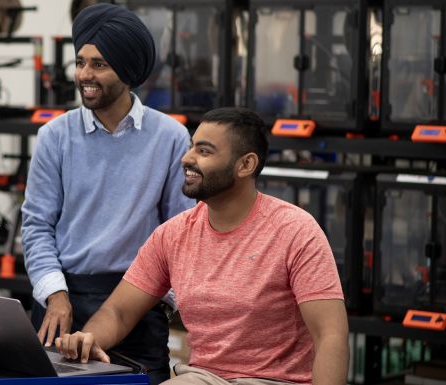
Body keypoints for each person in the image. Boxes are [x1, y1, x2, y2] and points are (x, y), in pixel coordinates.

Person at [55, 107, 349, 385]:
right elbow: (119, 312)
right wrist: (89, 337)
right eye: (192, 146)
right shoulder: (173, 234)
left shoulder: (295, 231)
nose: (187, 158)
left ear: (246, 165)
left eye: (204, 151)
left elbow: (330, 335)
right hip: (203, 377)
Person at [21, 4, 196, 383]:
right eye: (81, 62)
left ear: (128, 71)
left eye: (99, 64)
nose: (85, 74)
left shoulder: (170, 138)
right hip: (62, 300)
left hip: (139, 302)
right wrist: (56, 295)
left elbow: (181, 233)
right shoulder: (55, 136)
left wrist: (159, 304)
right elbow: (36, 226)